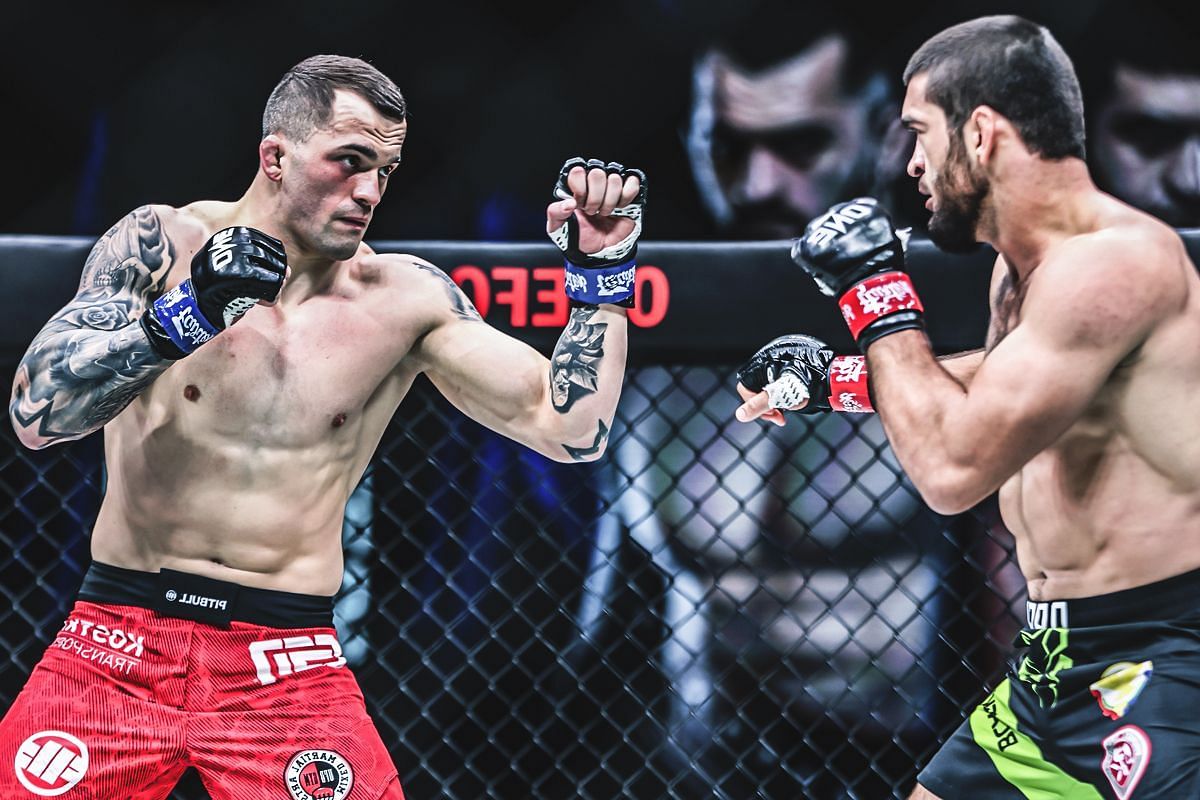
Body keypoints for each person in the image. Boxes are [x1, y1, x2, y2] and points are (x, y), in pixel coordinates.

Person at [3, 54, 645, 799]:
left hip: (285, 663)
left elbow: (572, 429)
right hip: (114, 639)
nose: (370, 191)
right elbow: (36, 415)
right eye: (350, 162)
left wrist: (603, 281)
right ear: (275, 156)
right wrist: (180, 322)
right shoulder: (163, 245)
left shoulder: (402, 300)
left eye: (386, 170)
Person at [735, 14, 1200, 798]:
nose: (912, 164)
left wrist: (875, 297)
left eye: (921, 133)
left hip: (1164, 662)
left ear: (980, 133)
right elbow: (1006, 388)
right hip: (1056, 664)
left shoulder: (1111, 264)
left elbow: (954, 471)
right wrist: (839, 381)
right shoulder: (1024, 274)